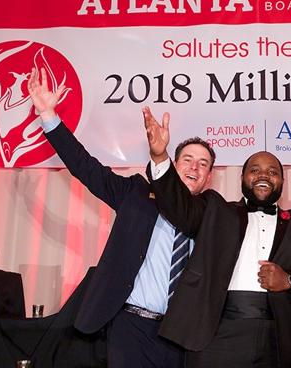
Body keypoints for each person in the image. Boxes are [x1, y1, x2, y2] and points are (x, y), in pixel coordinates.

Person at [27, 67, 214, 368]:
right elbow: (86, 167)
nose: (194, 167)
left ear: (209, 177)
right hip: (131, 329)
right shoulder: (136, 194)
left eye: (203, 164)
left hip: (181, 337)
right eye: (188, 160)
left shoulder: (213, 215)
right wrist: (49, 115)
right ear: (173, 165)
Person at [142, 107, 291, 368]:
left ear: (282, 182)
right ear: (242, 178)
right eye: (255, 170)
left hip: (280, 338)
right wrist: (159, 157)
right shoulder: (216, 211)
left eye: (272, 172)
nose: (263, 175)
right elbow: (179, 206)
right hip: (218, 335)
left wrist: (290, 281)